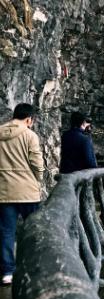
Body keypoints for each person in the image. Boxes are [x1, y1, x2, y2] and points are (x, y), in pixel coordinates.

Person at [0, 103, 44, 285]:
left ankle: (7, 272)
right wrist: (38, 178)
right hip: (28, 192)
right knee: (34, 229)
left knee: (6, 233)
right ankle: (33, 266)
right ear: (28, 119)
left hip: (4, 191)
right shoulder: (29, 135)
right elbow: (36, 162)